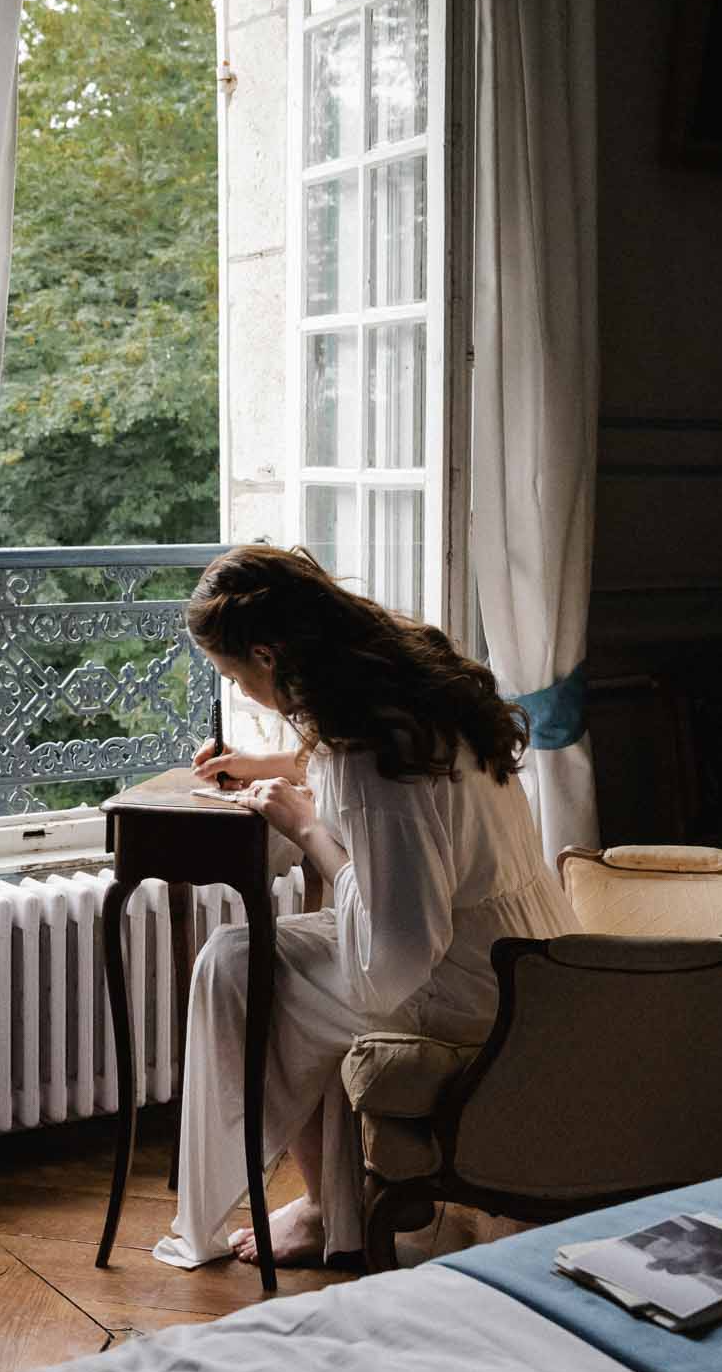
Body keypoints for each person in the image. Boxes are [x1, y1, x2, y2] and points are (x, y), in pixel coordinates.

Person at [152, 544, 581, 1272]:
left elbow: (397, 950)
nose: (244, 694)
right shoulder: (417, 696)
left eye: (234, 677)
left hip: (470, 984)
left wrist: (306, 828)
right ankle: (339, 1204)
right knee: (250, 957)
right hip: (525, 948)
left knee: (239, 970)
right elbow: (399, 815)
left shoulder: (367, 750)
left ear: (265, 653)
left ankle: (327, 1211)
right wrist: (271, 767)